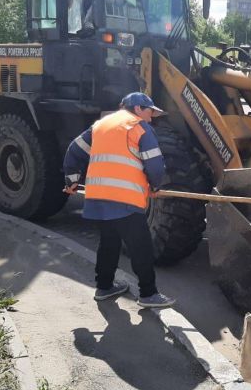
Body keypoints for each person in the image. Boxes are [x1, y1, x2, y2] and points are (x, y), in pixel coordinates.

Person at [63, 92, 175, 308]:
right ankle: (148, 294)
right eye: (150, 112)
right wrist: (156, 185)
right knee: (140, 246)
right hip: (125, 198)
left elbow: (74, 150)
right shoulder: (139, 127)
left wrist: (72, 179)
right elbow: (154, 164)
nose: (152, 117)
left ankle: (104, 287)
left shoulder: (100, 126)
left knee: (109, 243)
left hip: (98, 198)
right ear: (138, 108)